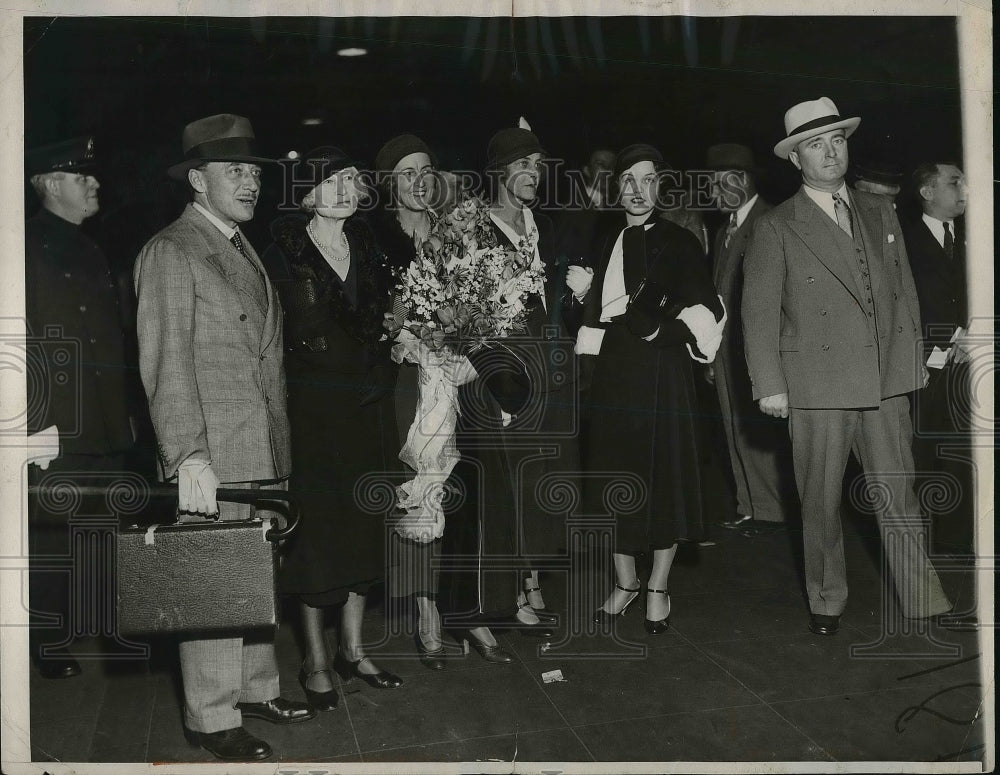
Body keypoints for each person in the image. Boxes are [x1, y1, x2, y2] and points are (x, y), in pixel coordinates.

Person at [134, 114, 315, 762]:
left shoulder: (242, 247)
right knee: (213, 578)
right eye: (234, 171)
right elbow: (166, 363)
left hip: (259, 444)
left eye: (255, 171)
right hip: (213, 451)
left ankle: (256, 687)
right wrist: (187, 454)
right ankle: (211, 715)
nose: (251, 182)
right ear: (196, 180)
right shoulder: (172, 250)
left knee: (256, 572)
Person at [742, 98, 953, 637]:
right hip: (815, 384)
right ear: (796, 158)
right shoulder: (775, 226)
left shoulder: (881, 211)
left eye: (837, 140)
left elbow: (904, 291)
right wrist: (769, 385)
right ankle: (826, 599)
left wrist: (912, 365)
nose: (830, 152)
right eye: (816, 144)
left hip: (885, 380)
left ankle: (925, 598)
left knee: (899, 495)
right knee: (820, 500)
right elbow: (759, 313)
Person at [262, 146, 404, 704]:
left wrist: (389, 357)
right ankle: (315, 661)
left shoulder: (369, 247)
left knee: (363, 529)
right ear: (308, 195)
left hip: (367, 407)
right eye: (331, 182)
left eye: (352, 179)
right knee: (316, 535)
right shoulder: (283, 253)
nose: (346, 190)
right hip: (312, 413)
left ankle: (353, 650)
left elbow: (389, 319)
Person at [578, 143, 724, 634]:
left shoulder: (680, 241)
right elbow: (595, 314)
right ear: (616, 187)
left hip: (664, 375)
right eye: (628, 181)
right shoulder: (607, 239)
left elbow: (708, 312)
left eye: (647, 180)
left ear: (660, 186)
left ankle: (658, 585)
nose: (638, 191)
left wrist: (663, 332)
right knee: (614, 475)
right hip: (615, 376)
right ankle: (625, 581)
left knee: (664, 478)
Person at [24, 135, 136, 679]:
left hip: (107, 417)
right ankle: (48, 640)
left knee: (104, 530)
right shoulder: (23, 248)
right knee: (52, 533)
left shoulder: (94, 247)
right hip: (56, 421)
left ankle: (107, 627)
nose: (95, 183)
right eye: (80, 176)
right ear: (47, 185)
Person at [484, 125, 589, 628]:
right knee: (518, 480)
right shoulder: (475, 230)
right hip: (512, 376)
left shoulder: (546, 226)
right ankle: (520, 588)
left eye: (538, 167)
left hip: (556, 371)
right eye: (523, 166)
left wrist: (579, 298)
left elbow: (561, 305)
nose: (533, 175)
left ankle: (533, 580)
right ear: (499, 172)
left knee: (550, 479)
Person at [371, 133, 448, 670]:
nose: (419, 180)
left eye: (426, 168)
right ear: (390, 185)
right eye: (407, 172)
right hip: (403, 381)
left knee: (451, 484)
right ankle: (424, 605)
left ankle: (450, 599)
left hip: (453, 376)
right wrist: (399, 334)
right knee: (415, 485)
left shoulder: (455, 234)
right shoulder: (375, 240)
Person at [705, 143, 795, 531]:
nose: (710, 193)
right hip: (726, 350)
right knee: (733, 427)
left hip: (753, 350)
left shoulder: (769, 220)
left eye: (717, 183)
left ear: (741, 180)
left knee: (758, 434)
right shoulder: (728, 226)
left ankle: (772, 512)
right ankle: (750, 506)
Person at [901, 162, 971, 553]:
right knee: (923, 457)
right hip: (926, 366)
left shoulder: (976, 239)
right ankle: (920, 548)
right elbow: (910, 305)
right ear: (927, 192)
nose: (964, 189)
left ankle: (957, 545)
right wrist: (955, 336)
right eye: (954, 182)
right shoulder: (905, 242)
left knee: (963, 456)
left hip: (971, 363)